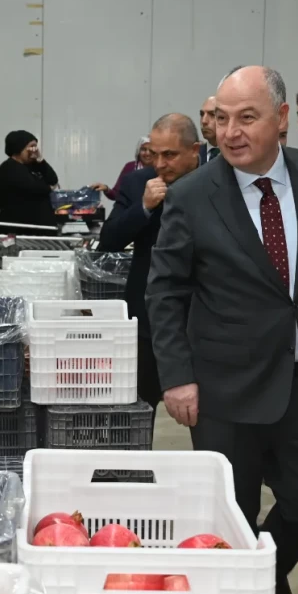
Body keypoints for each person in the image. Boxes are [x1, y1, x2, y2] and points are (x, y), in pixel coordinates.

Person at [146, 65, 298, 594]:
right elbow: (166, 290)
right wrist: (177, 376)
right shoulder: (192, 196)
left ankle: (262, 569)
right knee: (230, 510)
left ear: (283, 119)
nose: (231, 132)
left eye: (248, 118)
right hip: (222, 386)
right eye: (222, 120)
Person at [98, 114, 200, 410]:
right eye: (154, 154)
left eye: (170, 155)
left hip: (203, 315)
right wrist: (143, 207)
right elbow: (109, 241)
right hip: (148, 316)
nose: (160, 163)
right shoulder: (138, 182)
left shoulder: (216, 184)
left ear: (195, 150)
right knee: (141, 409)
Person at [0, 130, 59, 235]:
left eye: (35, 147)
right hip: (17, 232)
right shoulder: (9, 168)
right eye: (30, 147)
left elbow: (53, 179)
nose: (33, 150)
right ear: (18, 148)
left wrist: (40, 159)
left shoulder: (34, 165)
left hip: (38, 232)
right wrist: (49, 188)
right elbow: (34, 188)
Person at [199, 96, 220, 163]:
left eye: (212, 114)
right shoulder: (195, 155)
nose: (204, 121)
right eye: (202, 114)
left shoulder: (236, 154)